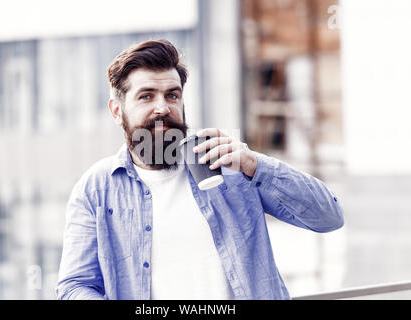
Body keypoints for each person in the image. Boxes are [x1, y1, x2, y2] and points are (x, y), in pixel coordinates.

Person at [56, 39, 344, 300]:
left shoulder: (229, 166)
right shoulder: (96, 188)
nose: (162, 107)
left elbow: (328, 216)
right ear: (117, 110)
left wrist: (254, 164)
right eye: (146, 96)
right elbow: (74, 287)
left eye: (172, 95)